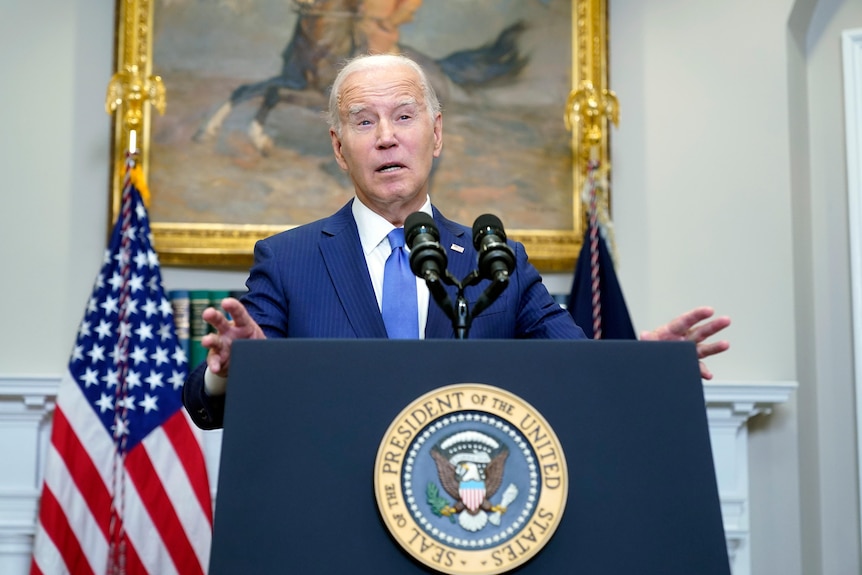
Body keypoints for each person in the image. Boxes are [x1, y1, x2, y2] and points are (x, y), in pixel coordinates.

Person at [182, 53, 730, 430]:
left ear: (436, 134)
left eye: (403, 116)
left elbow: (577, 370)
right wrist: (231, 370)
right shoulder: (289, 260)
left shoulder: (500, 262)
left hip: (467, 522)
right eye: (364, 122)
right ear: (338, 146)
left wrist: (643, 365)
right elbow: (207, 407)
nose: (387, 136)